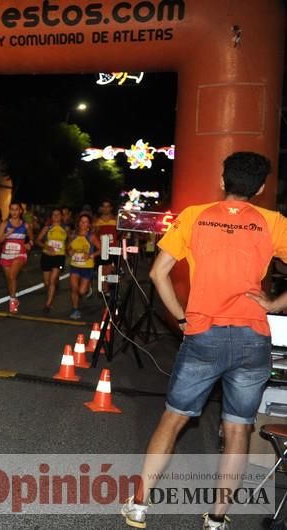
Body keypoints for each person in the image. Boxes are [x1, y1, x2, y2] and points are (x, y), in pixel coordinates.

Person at [122, 152, 287, 530]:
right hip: (252, 337)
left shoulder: (194, 215)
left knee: (173, 419)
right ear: (261, 188)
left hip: (203, 335)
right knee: (237, 428)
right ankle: (216, 518)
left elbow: (158, 273)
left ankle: (139, 505)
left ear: (222, 178)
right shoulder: (274, 222)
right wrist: (275, 302)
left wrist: (181, 317)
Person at [0, 202, 33, 313]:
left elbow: (31, 238)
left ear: (20, 211)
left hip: (20, 254)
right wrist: (7, 234)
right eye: (12, 209)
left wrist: (29, 244)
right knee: (10, 279)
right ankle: (14, 297)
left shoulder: (25, 225)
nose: (14, 212)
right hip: (6, 254)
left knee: (12, 276)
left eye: (16, 209)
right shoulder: (4, 224)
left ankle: (12, 301)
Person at [66, 213, 100, 320]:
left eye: (85, 222)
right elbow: (68, 248)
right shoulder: (73, 235)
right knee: (74, 289)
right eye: (81, 221)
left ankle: (87, 288)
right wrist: (70, 251)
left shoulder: (91, 236)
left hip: (87, 267)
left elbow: (101, 249)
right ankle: (75, 309)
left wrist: (91, 255)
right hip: (74, 266)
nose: (83, 224)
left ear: (89, 224)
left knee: (81, 291)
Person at [36, 207, 68, 313]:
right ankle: (52, 290)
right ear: (51, 217)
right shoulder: (47, 228)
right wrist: (46, 246)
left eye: (58, 214)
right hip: (47, 256)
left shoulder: (66, 229)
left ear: (62, 216)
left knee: (52, 280)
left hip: (59, 257)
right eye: (53, 215)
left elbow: (71, 242)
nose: (56, 217)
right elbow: (38, 241)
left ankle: (48, 304)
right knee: (47, 282)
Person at [94, 199, 118, 293]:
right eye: (104, 206)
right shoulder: (96, 221)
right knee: (103, 271)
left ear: (111, 208)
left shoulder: (116, 220)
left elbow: (121, 234)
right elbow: (93, 235)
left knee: (112, 270)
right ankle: (105, 290)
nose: (106, 208)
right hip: (101, 249)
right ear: (101, 208)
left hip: (113, 249)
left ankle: (111, 289)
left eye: (108, 206)